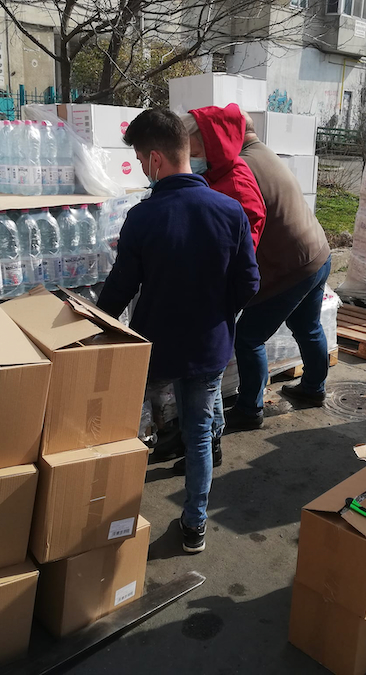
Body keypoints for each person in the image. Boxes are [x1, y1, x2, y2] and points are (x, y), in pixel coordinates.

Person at [97, 109, 260, 554]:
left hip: (156, 346)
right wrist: (218, 315)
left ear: (155, 159)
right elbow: (249, 283)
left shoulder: (143, 217)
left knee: (133, 430)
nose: (140, 167)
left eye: (138, 159)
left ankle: (108, 520)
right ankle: (194, 526)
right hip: (208, 346)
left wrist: (93, 329)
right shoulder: (229, 210)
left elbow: (120, 288)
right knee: (200, 432)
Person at [222, 111, 333, 431]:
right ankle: (313, 388)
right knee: (307, 325)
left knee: (248, 337)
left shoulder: (242, 166)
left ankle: (249, 409)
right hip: (317, 253)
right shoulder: (265, 154)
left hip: (291, 267)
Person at [181, 104, 266, 248]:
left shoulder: (239, 192)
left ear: (213, 151)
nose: (187, 161)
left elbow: (238, 251)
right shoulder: (216, 172)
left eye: (193, 155)